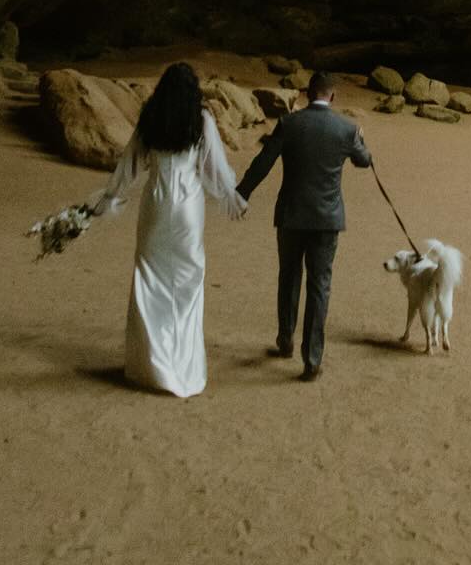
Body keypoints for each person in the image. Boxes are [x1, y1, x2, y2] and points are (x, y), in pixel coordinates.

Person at [92, 61, 247, 397]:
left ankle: (152, 366)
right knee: (188, 282)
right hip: (188, 207)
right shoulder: (201, 119)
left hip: (158, 203)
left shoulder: (151, 118)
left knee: (149, 279)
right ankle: (183, 366)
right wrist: (229, 194)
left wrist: (111, 195)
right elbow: (214, 167)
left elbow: (130, 162)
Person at [235, 69, 372, 380]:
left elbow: (263, 162)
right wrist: (360, 141)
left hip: (291, 215)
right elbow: (364, 161)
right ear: (333, 96)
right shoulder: (346, 129)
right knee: (319, 285)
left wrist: (242, 193)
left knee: (289, 277)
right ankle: (311, 359)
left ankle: (285, 340)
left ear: (308, 94)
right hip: (327, 219)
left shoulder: (289, 123)